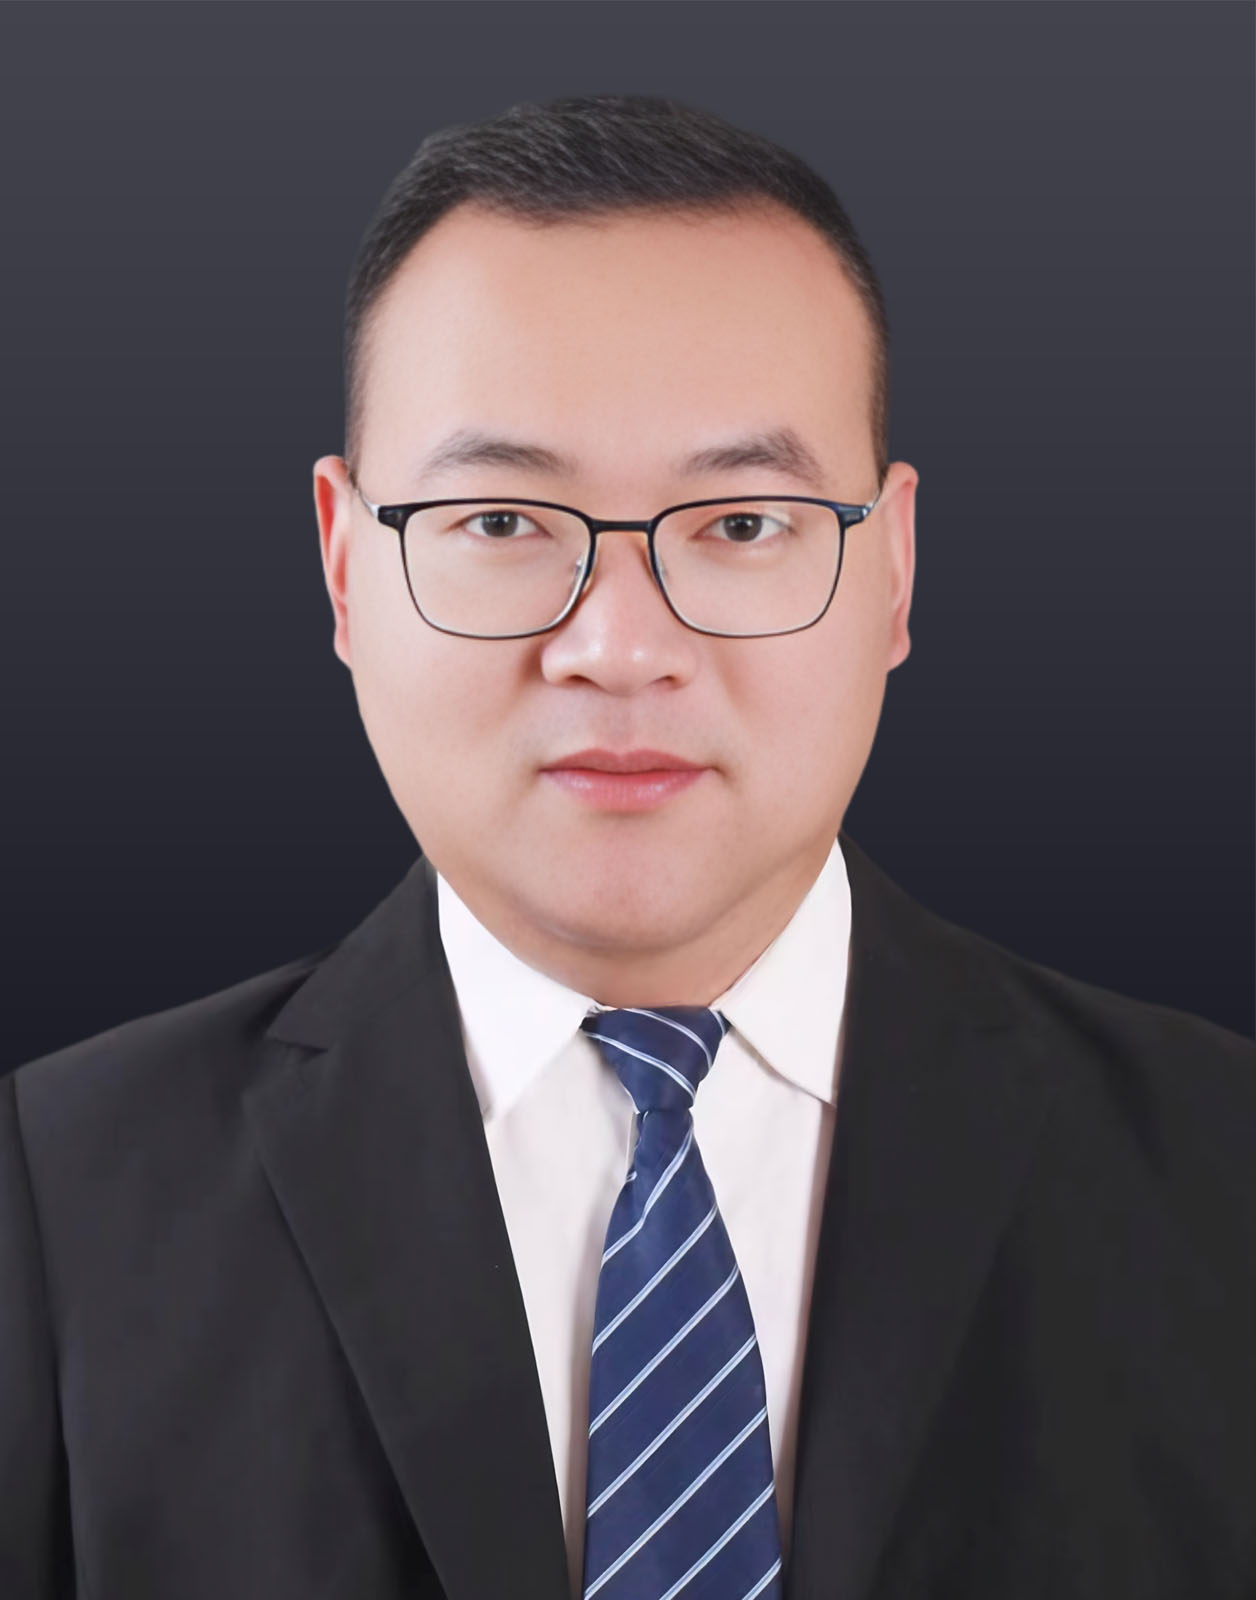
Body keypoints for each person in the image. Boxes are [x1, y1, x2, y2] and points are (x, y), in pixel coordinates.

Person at [1, 91, 1253, 1600]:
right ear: (343, 566)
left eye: (741, 525)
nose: (618, 647)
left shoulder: (1221, 1171)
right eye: (501, 521)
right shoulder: (50, 1202)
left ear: (893, 569)